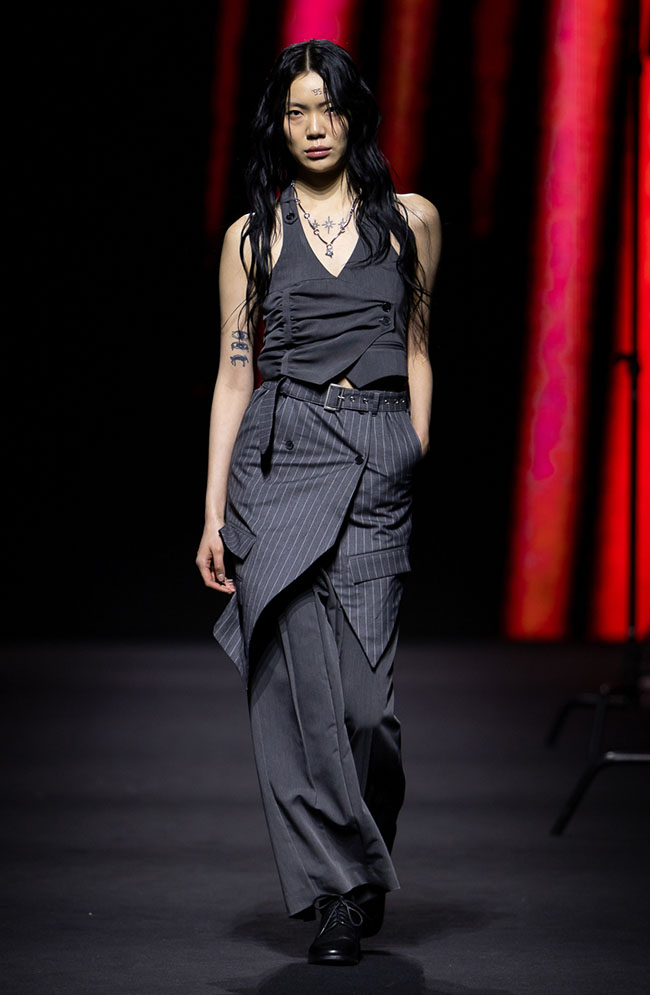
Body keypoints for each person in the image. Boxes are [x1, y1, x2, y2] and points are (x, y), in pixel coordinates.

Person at [196, 38, 441, 966]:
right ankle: (339, 893)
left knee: (369, 714)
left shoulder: (410, 221)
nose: (312, 127)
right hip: (281, 458)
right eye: (296, 111)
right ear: (280, 123)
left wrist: (412, 443)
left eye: (327, 108)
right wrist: (212, 511)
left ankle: (361, 851)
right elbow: (233, 374)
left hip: (376, 458)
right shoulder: (253, 236)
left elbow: (418, 343)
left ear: (353, 115)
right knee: (303, 698)